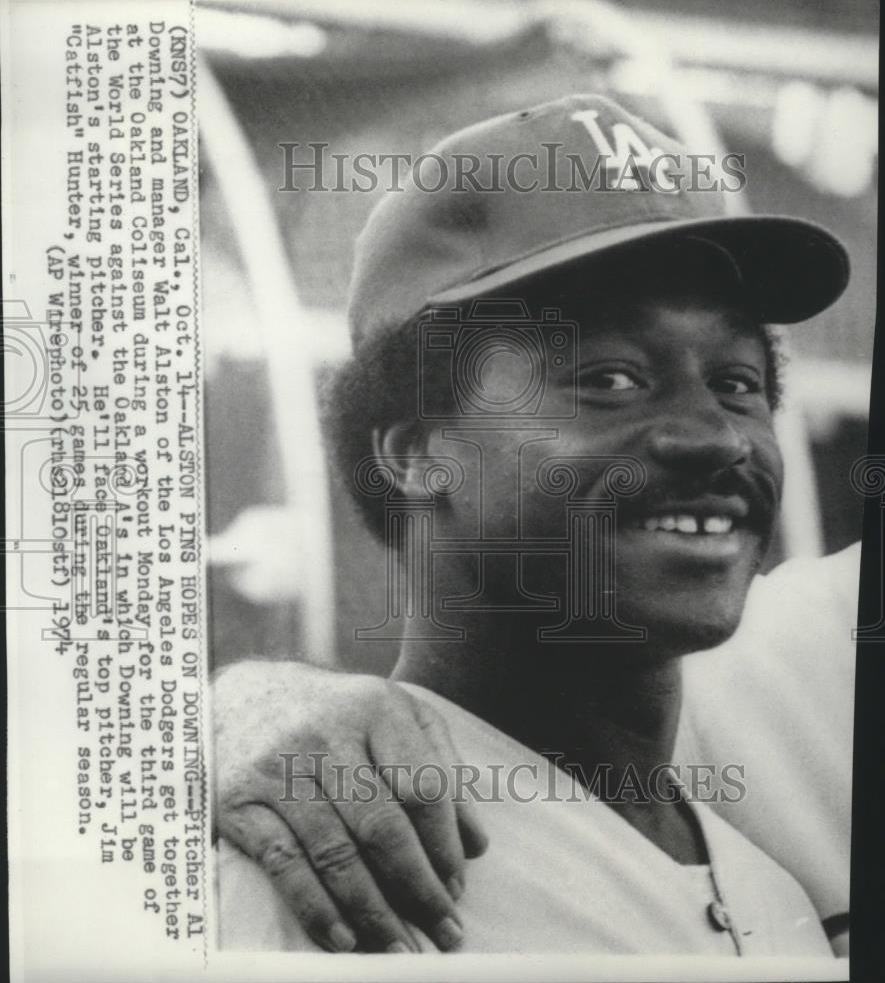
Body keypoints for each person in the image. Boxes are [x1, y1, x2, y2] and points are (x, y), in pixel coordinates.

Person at [213, 93, 852, 957]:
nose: (711, 435)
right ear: (413, 450)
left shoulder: (772, 896)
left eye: (738, 382)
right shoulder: (328, 858)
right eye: (611, 377)